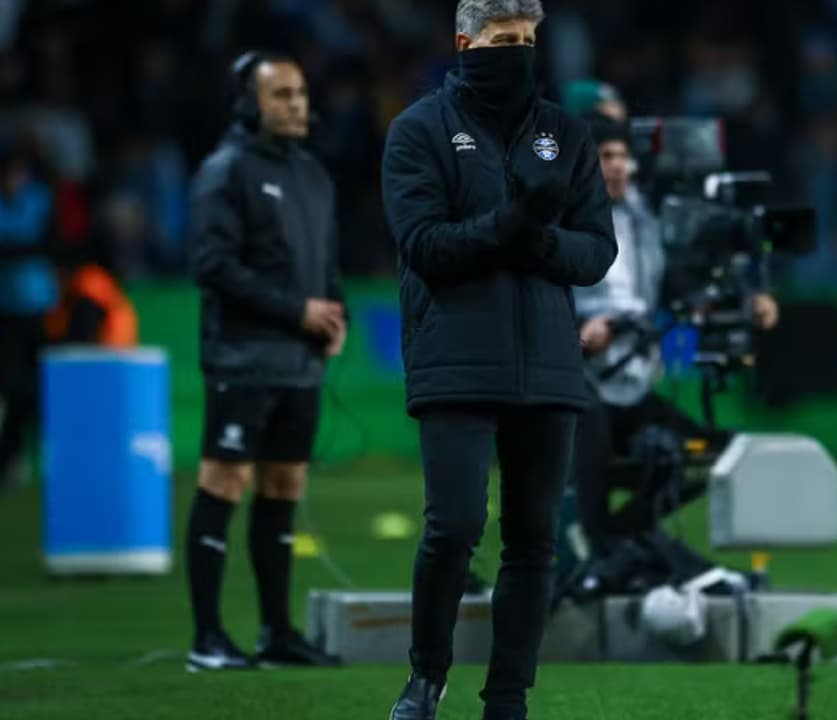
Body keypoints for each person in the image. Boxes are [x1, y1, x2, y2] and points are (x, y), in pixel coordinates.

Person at [380, 1, 617, 718]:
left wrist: (538, 242)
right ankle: (426, 677)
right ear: (463, 42)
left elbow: (597, 251)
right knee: (453, 527)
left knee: (533, 542)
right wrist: (514, 223)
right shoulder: (419, 129)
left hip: (548, 367)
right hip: (454, 357)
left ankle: (508, 697)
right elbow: (424, 245)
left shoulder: (564, 134)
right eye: (500, 38)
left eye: (525, 39)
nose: (515, 50)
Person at [183, 50, 346, 671]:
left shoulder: (313, 175)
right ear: (249, 103)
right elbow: (212, 267)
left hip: (299, 362)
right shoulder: (225, 172)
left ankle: (277, 632)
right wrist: (295, 311)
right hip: (243, 358)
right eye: (281, 95)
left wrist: (336, 317)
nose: (297, 104)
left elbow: (326, 268)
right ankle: (207, 638)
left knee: (284, 485)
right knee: (224, 482)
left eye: (300, 93)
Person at [571, 114, 780, 555]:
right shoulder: (559, 224)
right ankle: (594, 545)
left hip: (634, 385)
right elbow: (535, 305)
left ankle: (612, 542)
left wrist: (744, 302)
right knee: (587, 456)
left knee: (710, 456)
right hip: (578, 388)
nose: (619, 167)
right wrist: (580, 333)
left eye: (624, 157)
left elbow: (676, 287)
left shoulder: (644, 222)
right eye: (606, 156)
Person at [0, 139, 57, 492]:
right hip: (6, 311)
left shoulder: (39, 199)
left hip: (37, 308)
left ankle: (22, 457)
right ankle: (11, 458)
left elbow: (48, 242)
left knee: (36, 390)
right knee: (15, 387)